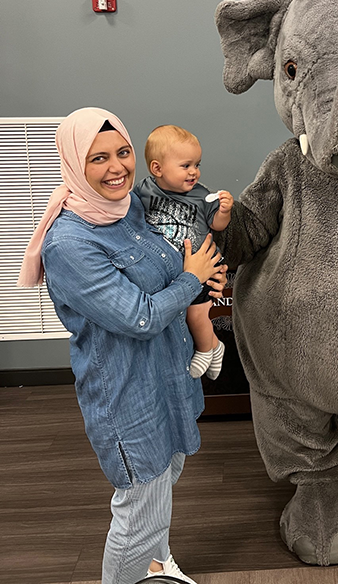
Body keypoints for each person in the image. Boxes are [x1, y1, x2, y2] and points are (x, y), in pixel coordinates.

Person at [18, 107, 227, 584]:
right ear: (74, 162)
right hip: (128, 395)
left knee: (164, 483)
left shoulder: (131, 206)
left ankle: (157, 565)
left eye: (123, 152)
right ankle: (134, 570)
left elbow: (170, 266)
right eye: (98, 158)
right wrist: (191, 278)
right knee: (139, 514)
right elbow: (140, 316)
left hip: (168, 372)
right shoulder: (69, 244)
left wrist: (200, 279)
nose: (117, 168)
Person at [134, 124, 233, 379]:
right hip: (172, 270)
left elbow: (217, 225)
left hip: (202, 264)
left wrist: (224, 211)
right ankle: (214, 346)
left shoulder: (202, 195)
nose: (194, 172)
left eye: (197, 165)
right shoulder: (144, 190)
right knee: (181, 313)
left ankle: (204, 348)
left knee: (196, 312)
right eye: (186, 166)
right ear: (157, 169)